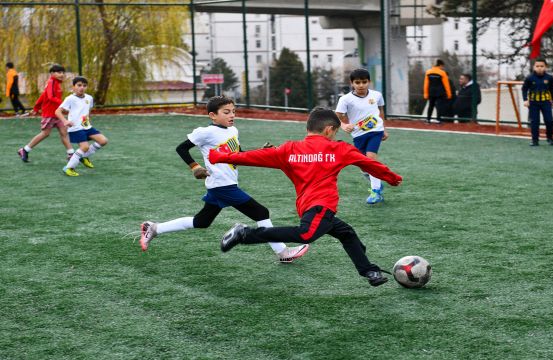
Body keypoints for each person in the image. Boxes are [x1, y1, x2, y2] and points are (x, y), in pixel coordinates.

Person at [208, 107, 403, 287]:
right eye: (335, 133)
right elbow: (369, 164)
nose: (334, 137)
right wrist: (392, 178)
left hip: (308, 206)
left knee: (346, 233)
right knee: (306, 234)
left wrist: (219, 157)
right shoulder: (340, 149)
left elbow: (251, 157)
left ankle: (369, 270)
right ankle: (244, 234)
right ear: (329, 130)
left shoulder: (289, 149)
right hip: (321, 206)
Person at [139, 96, 309, 263]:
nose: (232, 115)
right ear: (213, 115)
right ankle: (282, 251)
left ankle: (154, 228)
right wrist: (195, 167)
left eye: (233, 111)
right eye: (226, 112)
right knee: (261, 212)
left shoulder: (233, 131)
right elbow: (181, 148)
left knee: (202, 221)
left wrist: (262, 151)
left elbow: (239, 156)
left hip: (222, 185)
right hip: (222, 186)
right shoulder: (206, 133)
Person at [335, 68, 388, 204]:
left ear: (369, 82)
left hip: (375, 131)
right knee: (363, 165)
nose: (361, 85)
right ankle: (376, 181)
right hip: (358, 135)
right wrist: (344, 125)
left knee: (371, 158)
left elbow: (380, 111)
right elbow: (337, 117)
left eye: (364, 82)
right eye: (357, 82)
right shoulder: (345, 99)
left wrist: (384, 129)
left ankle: (375, 192)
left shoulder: (376, 95)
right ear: (352, 83)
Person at [17, 64, 74, 162]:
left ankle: (71, 154)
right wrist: (64, 104)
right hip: (49, 113)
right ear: (52, 73)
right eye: (59, 72)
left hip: (57, 114)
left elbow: (43, 96)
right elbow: (51, 97)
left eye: (63, 73)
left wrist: (36, 108)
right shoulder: (51, 82)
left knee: (64, 132)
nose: (62, 74)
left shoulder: (56, 83)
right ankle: (25, 150)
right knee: (45, 133)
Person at [57, 76, 106, 176]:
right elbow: (57, 111)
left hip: (87, 126)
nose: (82, 87)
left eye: (84, 85)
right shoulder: (70, 98)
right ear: (73, 87)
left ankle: (83, 157)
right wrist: (65, 121)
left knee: (103, 141)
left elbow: (88, 111)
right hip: (75, 128)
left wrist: (88, 121)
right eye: (79, 85)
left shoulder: (89, 98)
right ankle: (69, 168)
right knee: (85, 147)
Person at [522, 58, 553, 146]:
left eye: (542, 66)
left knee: (549, 120)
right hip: (533, 103)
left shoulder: (549, 78)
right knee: (534, 121)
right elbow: (524, 89)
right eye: (537, 66)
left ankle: (550, 138)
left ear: (545, 67)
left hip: (546, 102)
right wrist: (525, 100)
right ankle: (535, 140)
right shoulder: (529, 78)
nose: (539, 68)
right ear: (534, 67)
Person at [423, 59, 453, 124]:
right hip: (440, 92)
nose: (443, 67)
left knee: (431, 105)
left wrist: (425, 94)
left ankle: (428, 119)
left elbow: (426, 84)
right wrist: (449, 94)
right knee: (439, 106)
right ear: (440, 65)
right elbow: (446, 85)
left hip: (431, 92)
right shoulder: (442, 72)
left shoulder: (428, 72)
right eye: (442, 66)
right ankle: (438, 119)